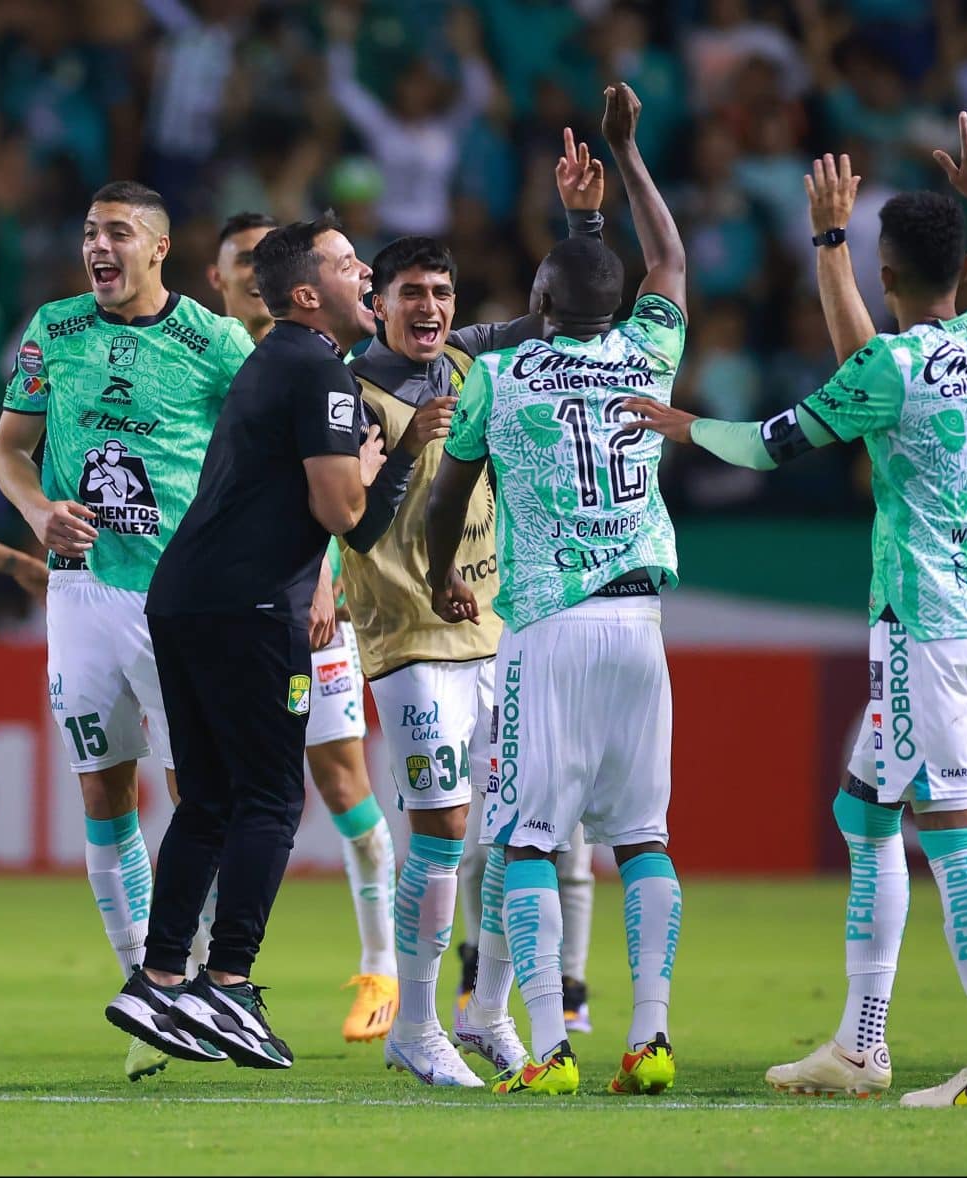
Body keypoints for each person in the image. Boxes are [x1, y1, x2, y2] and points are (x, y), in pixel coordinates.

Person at [633, 108, 967, 1107]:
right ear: (960, 269)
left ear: (885, 275)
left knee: (951, 830)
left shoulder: (889, 371)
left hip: (922, 625)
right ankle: (859, 1043)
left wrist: (679, 422)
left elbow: (766, 444)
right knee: (862, 804)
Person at [426, 83, 687, 1099]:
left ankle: (548, 1047)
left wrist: (447, 566)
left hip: (545, 621)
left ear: (537, 305)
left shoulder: (507, 372)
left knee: (528, 835)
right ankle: (650, 1037)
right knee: (642, 834)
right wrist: (625, 157)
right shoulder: (647, 349)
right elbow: (664, 259)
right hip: (640, 619)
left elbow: (450, 490)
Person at [339, 134, 610, 1082]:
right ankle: (416, 1028)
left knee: (518, 829)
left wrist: (584, 222)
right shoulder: (345, 392)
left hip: (495, 630)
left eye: (441, 295)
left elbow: (565, 318)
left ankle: (487, 1012)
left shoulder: (468, 360)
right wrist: (412, 444)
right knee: (445, 834)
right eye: (410, 294)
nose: (430, 309)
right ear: (375, 303)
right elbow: (355, 526)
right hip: (409, 637)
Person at [109, 212, 397, 1071]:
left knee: (209, 799)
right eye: (351, 266)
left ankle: (157, 978)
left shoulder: (273, 364)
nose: (367, 276)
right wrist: (384, 461)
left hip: (184, 599)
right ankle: (226, 984)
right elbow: (344, 512)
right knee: (272, 799)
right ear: (309, 294)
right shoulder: (322, 374)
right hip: (252, 613)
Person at [0, 181, 255, 1080]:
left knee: (196, 795)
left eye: (117, 234)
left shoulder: (215, 343)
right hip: (82, 594)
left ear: (160, 248)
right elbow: (9, 451)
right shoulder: (53, 330)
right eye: (89, 233)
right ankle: (146, 993)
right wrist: (35, 514)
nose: (96, 248)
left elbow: (265, 461)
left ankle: (203, 980)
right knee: (103, 795)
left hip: (181, 600)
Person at [209, 209, 391, 1046]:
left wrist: (324, 579)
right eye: (242, 259)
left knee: (340, 780)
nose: (255, 271)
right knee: (207, 795)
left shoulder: (326, 359)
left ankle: (381, 970)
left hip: (307, 601)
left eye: (264, 257)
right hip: (228, 601)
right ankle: (205, 981)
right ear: (223, 280)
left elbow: (327, 489)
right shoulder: (212, 359)